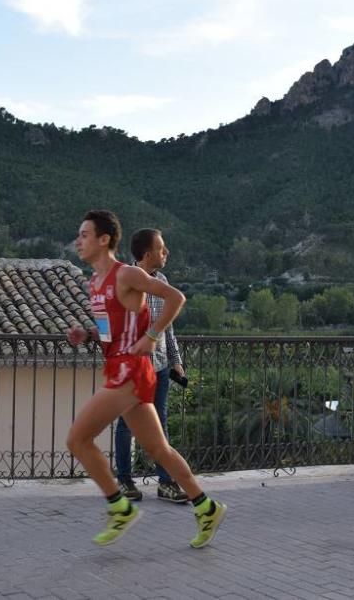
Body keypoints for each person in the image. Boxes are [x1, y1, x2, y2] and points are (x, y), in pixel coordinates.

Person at [66, 210, 226, 547]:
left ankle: (119, 506)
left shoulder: (128, 274)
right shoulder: (94, 283)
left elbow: (175, 298)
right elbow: (111, 333)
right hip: (119, 368)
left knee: (78, 440)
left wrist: (152, 335)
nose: (78, 241)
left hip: (131, 372)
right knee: (159, 449)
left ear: (104, 239)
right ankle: (206, 506)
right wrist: (89, 335)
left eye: (84, 234)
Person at [114, 228, 188, 504]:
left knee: (160, 423)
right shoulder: (127, 282)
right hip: (134, 368)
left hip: (158, 367)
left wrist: (176, 361)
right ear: (147, 254)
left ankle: (166, 483)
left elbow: (167, 329)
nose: (166, 252)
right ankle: (124, 480)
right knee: (127, 424)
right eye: (161, 248)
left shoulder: (162, 280)